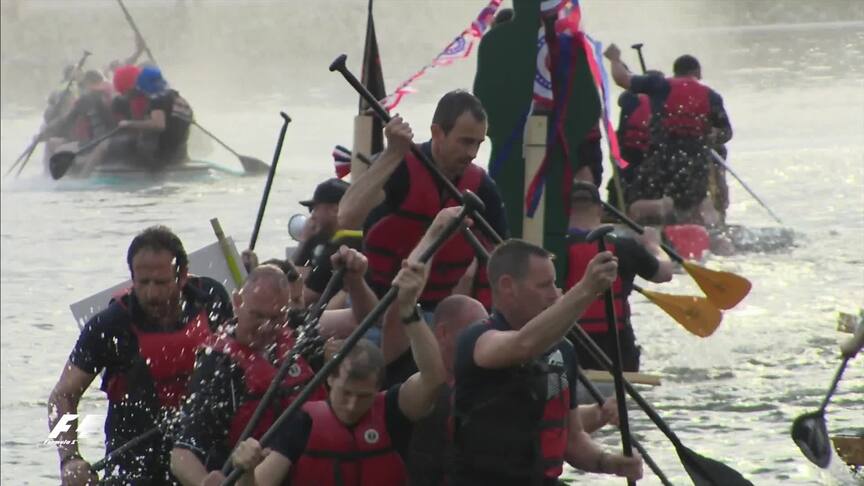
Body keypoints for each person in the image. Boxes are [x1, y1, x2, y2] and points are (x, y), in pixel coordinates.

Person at [229, 247, 447, 485]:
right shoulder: (300, 422)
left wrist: (408, 311)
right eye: (346, 393)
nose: (353, 405)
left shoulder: (391, 411)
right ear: (330, 380)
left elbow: (433, 377)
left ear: (377, 389)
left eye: (363, 396)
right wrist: (247, 472)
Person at [47, 226, 233, 485]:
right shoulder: (110, 326)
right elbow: (62, 396)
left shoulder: (212, 299)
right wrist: (69, 459)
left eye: (161, 282)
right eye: (142, 282)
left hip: (206, 462)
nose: (152, 294)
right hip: (135, 470)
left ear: (182, 276)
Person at [451, 238, 643, 485]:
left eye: (555, 284)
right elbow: (523, 345)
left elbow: (572, 438)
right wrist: (587, 289)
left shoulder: (560, 355)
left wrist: (609, 462)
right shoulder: (478, 338)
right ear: (508, 286)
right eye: (544, 286)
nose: (554, 294)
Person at [381, 293, 620, 486]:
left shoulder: (501, 375)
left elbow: (547, 424)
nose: (486, 337)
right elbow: (395, 326)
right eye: (476, 331)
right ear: (443, 333)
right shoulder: (422, 384)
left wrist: (600, 416)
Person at [339, 89, 508, 312]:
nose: (473, 153)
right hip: (376, 304)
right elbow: (346, 218)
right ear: (437, 133)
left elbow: (504, 258)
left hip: (438, 311)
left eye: (478, 144)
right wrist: (392, 154)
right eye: (465, 142)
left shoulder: (482, 188)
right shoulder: (398, 166)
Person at [170, 265, 328, 485]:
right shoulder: (218, 367)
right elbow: (181, 454)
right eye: (257, 315)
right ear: (237, 303)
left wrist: (355, 280)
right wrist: (204, 482)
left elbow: (355, 321)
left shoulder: (298, 336)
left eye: (275, 318)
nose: (265, 327)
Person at [606, 44, 733, 226]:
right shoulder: (712, 96)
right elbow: (726, 133)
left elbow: (622, 79)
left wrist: (614, 58)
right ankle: (708, 226)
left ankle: (656, 219)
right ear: (697, 73)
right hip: (695, 167)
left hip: (660, 163)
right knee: (692, 204)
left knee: (635, 207)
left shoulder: (661, 85)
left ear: (675, 72)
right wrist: (711, 135)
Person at [565, 181, 673, 372]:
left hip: (568, 348)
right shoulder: (625, 247)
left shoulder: (551, 249)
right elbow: (664, 274)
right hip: (617, 352)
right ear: (599, 210)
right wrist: (653, 245)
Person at [290, 177, 358, 306]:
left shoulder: (338, 247)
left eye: (315, 209)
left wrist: (305, 240)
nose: (312, 216)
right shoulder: (355, 237)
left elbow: (300, 296)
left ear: (335, 210)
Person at [607, 70, 664, 207]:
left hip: (631, 155)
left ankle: (616, 208)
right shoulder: (662, 102)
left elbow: (622, 99)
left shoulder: (630, 98)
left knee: (622, 182)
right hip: (646, 156)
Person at [118, 66, 194, 168]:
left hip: (159, 157)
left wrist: (129, 124)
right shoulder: (177, 98)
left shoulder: (157, 99)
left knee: (112, 146)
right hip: (180, 155)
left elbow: (158, 125)